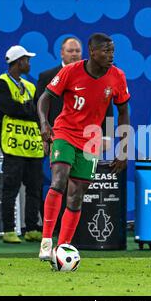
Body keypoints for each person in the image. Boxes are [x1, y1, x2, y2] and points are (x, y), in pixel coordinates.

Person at [36, 33, 130, 260]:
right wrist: (45, 124)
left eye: (112, 51)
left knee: (77, 195)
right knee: (59, 179)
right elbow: (44, 99)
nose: (110, 55)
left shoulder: (117, 76)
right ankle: (47, 241)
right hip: (65, 132)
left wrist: (124, 148)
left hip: (90, 140)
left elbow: (124, 112)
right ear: (92, 52)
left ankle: (63, 248)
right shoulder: (71, 71)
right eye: (106, 51)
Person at [34, 36, 114, 226]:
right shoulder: (48, 76)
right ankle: (48, 228)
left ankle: (69, 234)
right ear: (61, 53)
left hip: (87, 138)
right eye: (70, 51)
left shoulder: (101, 75)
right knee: (57, 182)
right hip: (58, 136)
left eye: (77, 51)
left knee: (77, 188)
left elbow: (108, 108)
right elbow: (40, 104)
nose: (74, 54)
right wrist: (45, 132)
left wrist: (107, 135)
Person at [0, 45, 44, 244]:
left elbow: (37, 112)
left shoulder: (31, 86)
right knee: (10, 187)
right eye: (27, 60)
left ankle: (32, 228)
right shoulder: (0, 84)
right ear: (19, 62)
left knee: (35, 187)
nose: (29, 63)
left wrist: (26, 109)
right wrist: (27, 109)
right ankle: (9, 229)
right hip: (12, 144)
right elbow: (10, 108)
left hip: (33, 144)